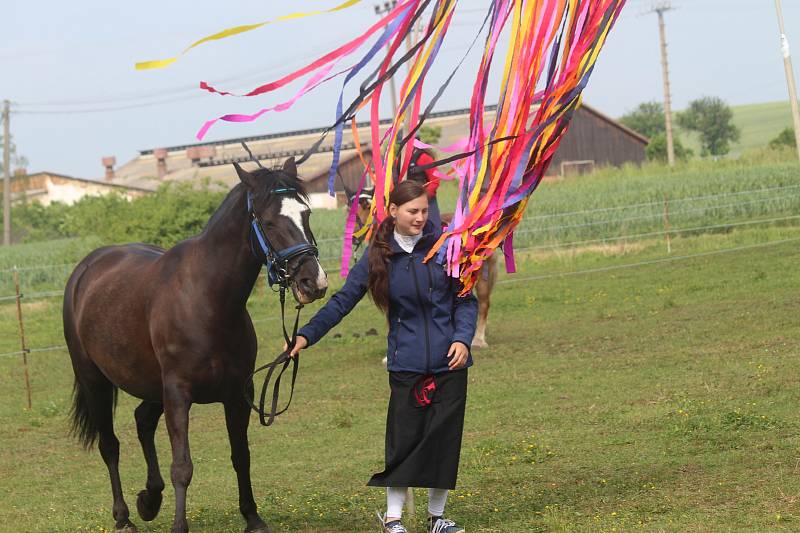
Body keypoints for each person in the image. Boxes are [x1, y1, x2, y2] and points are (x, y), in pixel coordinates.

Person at [289, 180, 477, 533]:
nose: (421, 218)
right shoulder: (378, 255)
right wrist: (306, 335)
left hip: (450, 363)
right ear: (393, 212)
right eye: (412, 212)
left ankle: (437, 518)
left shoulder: (445, 247)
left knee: (444, 439)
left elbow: (465, 299)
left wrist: (463, 339)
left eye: (424, 210)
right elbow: (343, 301)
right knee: (404, 441)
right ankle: (393, 519)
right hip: (406, 365)